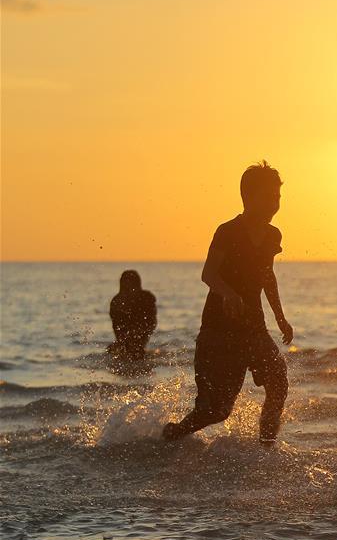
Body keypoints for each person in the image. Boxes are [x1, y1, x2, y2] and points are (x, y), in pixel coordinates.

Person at [163, 161, 293, 446]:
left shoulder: (273, 235)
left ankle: (266, 447)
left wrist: (280, 317)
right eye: (270, 197)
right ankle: (171, 436)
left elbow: (267, 276)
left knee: (278, 382)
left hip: (254, 328)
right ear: (250, 197)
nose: (275, 203)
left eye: (278, 197)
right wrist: (229, 294)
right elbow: (208, 273)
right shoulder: (228, 231)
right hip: (219, 332)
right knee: (216, 411)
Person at [108, 270, 157, 361]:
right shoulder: (117, 301)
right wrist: (124, 340)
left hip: (140, 333)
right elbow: (116, 324)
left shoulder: (147, 298)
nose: (128, 286)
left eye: (130, 283)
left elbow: (151, 321)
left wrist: (138, 334)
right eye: (126, 283)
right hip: (126, 336)